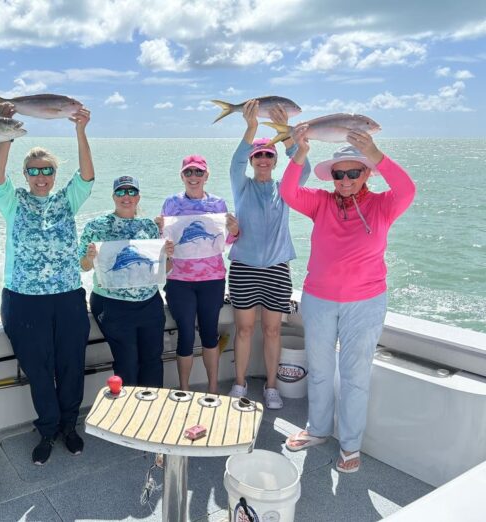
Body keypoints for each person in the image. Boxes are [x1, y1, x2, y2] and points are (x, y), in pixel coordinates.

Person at [280, 127, 416, 473]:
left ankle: (350, 444)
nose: (345, 179)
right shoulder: (321, 203)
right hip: (319, 300)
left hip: (366, 303)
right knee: (321, 371)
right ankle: (318, 430)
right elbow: (288, 191)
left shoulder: (384, 205)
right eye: (339, 174)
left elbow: (407, 188)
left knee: (355, 375)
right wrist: (299, 153)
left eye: (353, 172)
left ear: (366, 172)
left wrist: (374, 151)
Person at [0, 103, 94, 466]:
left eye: (47, 170)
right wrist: (5, 129)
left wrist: (80, 131)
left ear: (53, 173)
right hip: (23, 300)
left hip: (67, 297)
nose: (41, 176)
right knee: (37, 369)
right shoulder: (13, 202)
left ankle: (69, 425)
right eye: (34, 171)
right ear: (26, 173)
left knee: (70, 364)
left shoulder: (67, 199)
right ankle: (47, 429)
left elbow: (87, 176)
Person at [228, 100, 311, 409]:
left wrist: (287, 135)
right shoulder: (242, 186)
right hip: (244, 268)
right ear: (252, 161)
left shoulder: (285, 189)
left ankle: (272, 387)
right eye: (258, 155)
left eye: (268, 155)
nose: (262, 159)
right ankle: (239, 384)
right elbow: (234, 163)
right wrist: (251, 128)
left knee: (273, 329)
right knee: (245, 328)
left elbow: (305, 168)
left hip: (276, 268)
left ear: (274, 160)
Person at [80, 176, 174, 387]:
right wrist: (90, 257)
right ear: (113, 196)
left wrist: (169, 255)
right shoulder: (96, 226)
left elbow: (164, 269)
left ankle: (151, 410)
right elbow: (83, 266)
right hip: (112, 305)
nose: (126, 197)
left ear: (138, 196)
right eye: (121, 192)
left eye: (131, 192)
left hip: (149, 303)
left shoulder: (149, 227)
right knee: (127, 363)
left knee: (152, 361)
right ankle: (128, 414)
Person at [156, 155, 239, 393]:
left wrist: (234, 230)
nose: (194, 177)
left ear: (207, 176)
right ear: (182, 176)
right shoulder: (171, 203)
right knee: (185, 335)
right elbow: (164, 242)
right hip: (179, 281)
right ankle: (183, 389)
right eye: (189, 172)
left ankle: (213, 388)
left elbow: (228, 239)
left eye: (198, 172)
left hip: (212, 280)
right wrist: (159, 233)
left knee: (210, 333)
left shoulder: (218, 204)